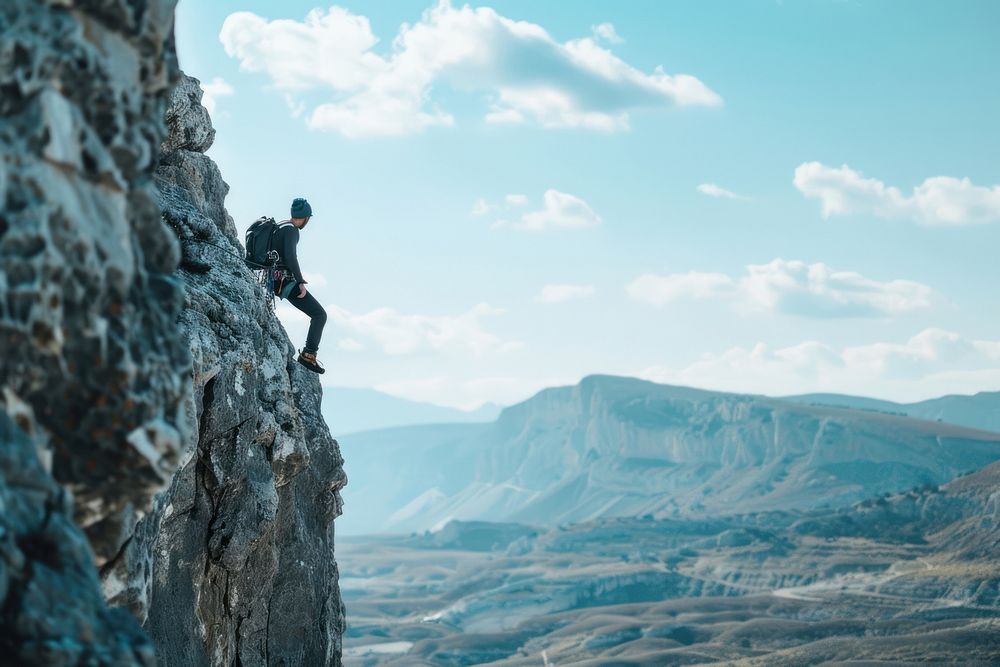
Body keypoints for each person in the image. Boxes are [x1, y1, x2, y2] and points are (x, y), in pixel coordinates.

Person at [273, 197, 327, 374]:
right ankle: (308, 356)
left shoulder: (279, 226)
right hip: (284, 281)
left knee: (318, 314)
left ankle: (308, 355)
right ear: (305, 218)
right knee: (319, 315)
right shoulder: (292, 230)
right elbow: (290, 256)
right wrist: (300, 282)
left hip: (271, 278)